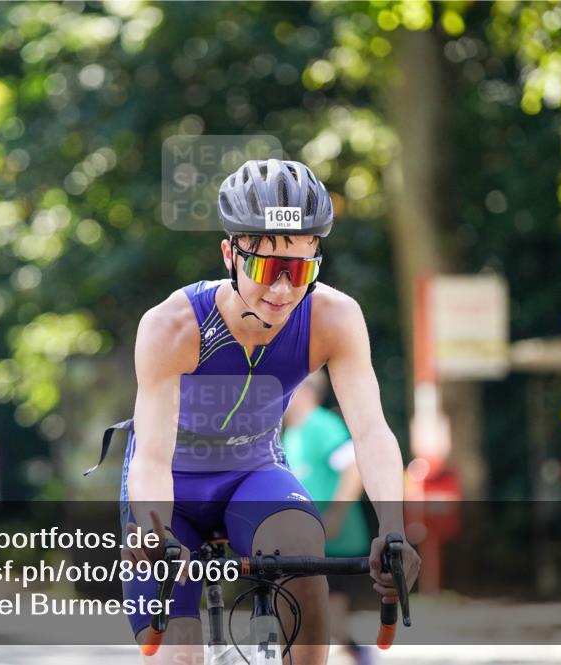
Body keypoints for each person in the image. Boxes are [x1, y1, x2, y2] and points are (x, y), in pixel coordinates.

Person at [93, 158, 420, 665]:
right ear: (230, 254)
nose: (282, 290)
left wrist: (393, 530)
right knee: (178, 655)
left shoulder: (333, 318)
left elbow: (372, 432)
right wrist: (152, 530)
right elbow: (152, 457)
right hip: (170, 491)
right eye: (267, 268)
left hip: (254, 475)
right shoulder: (173, 326)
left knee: (302, 554)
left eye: (299, 270)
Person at [283, 369, 373, 664]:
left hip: (335, 541)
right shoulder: (292, 433)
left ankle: (360, 654)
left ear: (304, 392)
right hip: (306, 541)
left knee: (326, 614)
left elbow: (354, 466)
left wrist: (335, 513)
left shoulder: (322, 425)